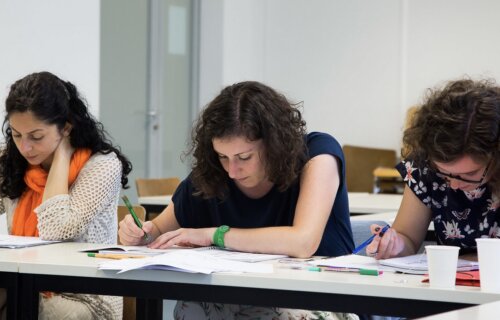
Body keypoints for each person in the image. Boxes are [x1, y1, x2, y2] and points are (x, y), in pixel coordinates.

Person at [119, 81, 357, 320]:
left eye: (244, 157)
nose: (232, 171)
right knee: (190, 307)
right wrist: (142, 234)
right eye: (223, 156)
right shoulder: (213, 175)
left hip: (323, 299)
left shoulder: (318, 154)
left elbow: (303, 242)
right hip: (243, 301)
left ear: (274, 143)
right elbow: (159, 228)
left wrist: (214, 235)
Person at [0, 71, 132, 319]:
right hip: (22, 281)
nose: (24, 147)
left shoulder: (101, 165)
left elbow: (55, 229)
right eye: (16, 135)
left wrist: (62, 156)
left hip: (86, 298)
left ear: (66, 128)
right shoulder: (10, 162)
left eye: (36, 137)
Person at [366, 78, 499, 259]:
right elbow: (408, 237)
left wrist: (453, 261)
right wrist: (395, 245)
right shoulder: (425, 167)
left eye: (469, 174)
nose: (454, 185)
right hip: (445, 284)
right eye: (444, 174)